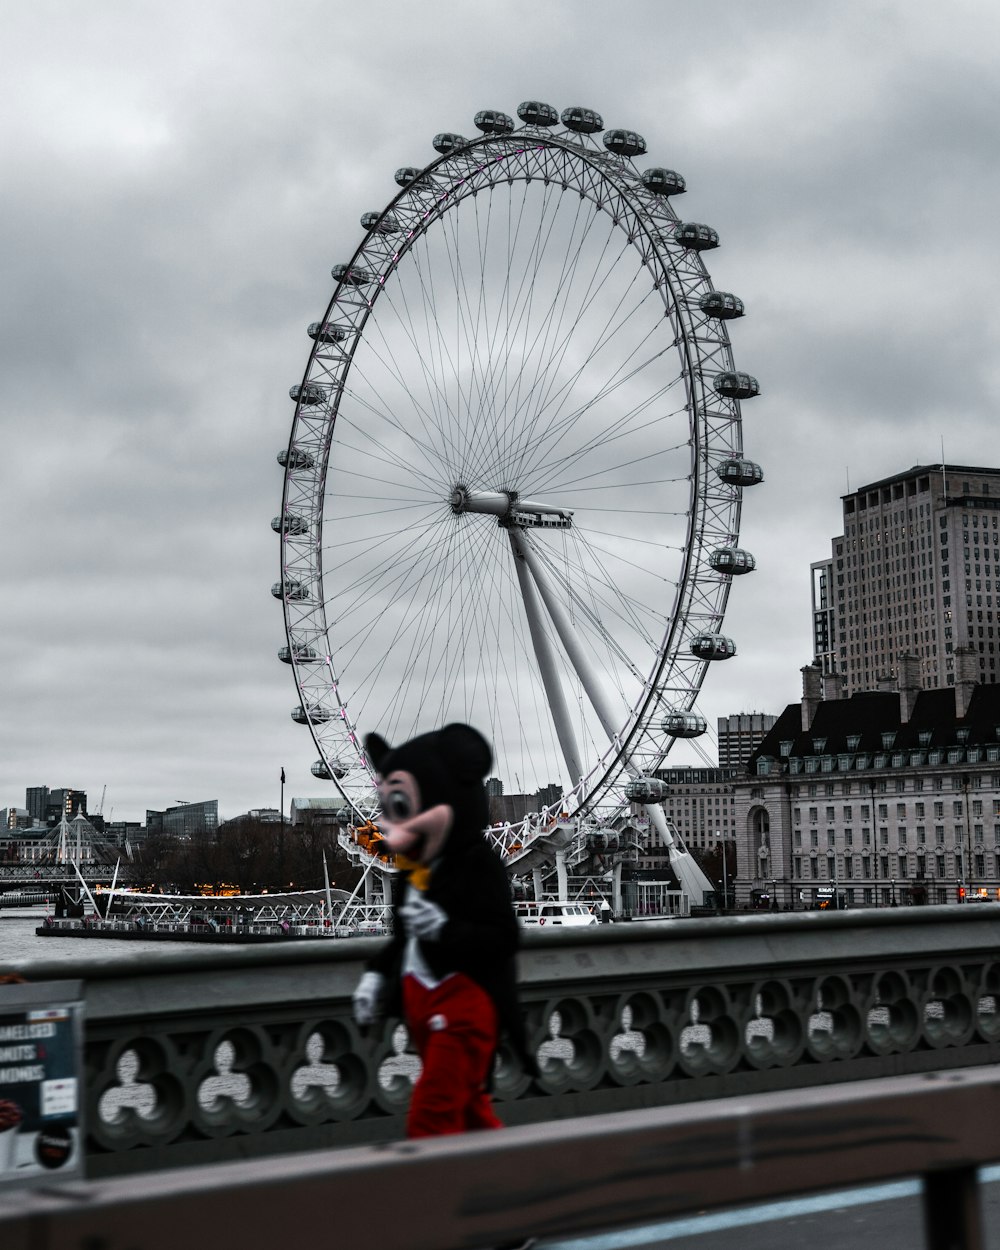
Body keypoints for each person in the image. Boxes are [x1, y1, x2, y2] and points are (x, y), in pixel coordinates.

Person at [352, 723, 535, 1138]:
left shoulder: (477, 865)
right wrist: (377, 977)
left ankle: (424, 1199)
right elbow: (404, 942)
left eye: (400, 804)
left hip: (464, 1011)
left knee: (431, 1119)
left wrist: (446, 930)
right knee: (471, 1117)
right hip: (424, 1009)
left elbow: (503, 938)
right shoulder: (410, 872)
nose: (388, 822)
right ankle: (512, 1190)